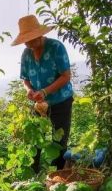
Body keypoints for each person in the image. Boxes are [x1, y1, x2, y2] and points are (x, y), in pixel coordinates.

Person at [11, 15, 74, 173]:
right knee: (34, 137)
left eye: (32, 40)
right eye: (26, 41)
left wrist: (45, 91)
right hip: (39, 105)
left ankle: (59, 175)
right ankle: (33, 173)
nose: (30, 44)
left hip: (61, 101)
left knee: (59, 139)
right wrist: (29, 91)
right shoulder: (26, 54)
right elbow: (25, 79)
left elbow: (66, 76)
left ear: (40, 35)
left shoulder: (56, 47)